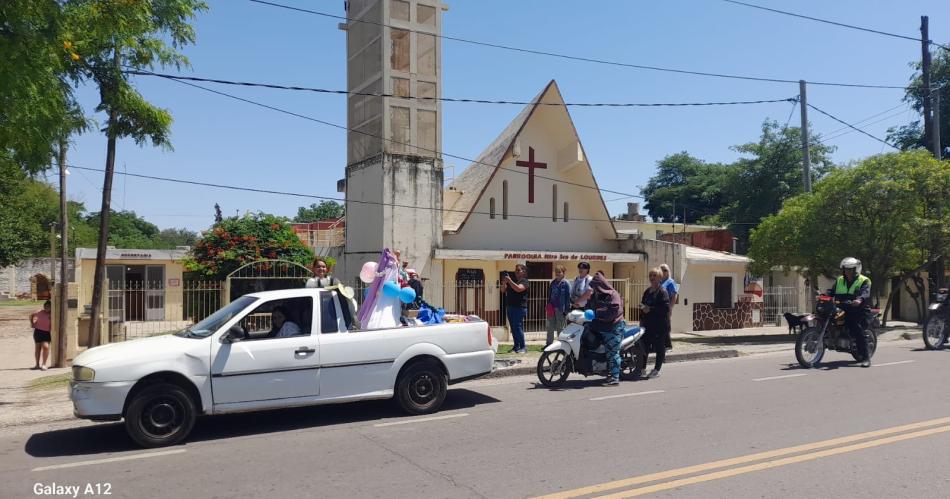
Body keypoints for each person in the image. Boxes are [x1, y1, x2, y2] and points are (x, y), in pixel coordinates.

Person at [827, 257, 872, 367]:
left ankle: (866, 358)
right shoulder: (840, 280)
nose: (848, 271)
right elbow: (832, 292)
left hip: (858, 309)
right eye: (846, 269)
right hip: (842, 307)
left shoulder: (864, 280)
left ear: (856, 269)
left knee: (856, 329)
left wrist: (859, 300)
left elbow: (865, 293)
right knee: (828, 318)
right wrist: (825, 295)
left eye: (851, 269)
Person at [588, 272, 624, 385]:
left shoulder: (613, 295)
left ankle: (615, 377)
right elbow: (588, 306)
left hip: (613, 328)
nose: (594, 289)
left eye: (595, 286)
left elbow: (612, 312)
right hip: (599, 327)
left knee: (612, 352)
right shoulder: (595, 295)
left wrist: (597, 313)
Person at [640, 267, 671, 379]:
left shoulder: (663, 292)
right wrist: (642, 317)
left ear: (660, 278)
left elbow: (665, 309)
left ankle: (657, 370)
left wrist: (651, 309)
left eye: (654, 276)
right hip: (647, 325)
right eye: (650, 276)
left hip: (660, 326)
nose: (652, 278)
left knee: (659, 348)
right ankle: (642, 368)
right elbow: (643, 304)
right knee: (644, 347)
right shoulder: (647, 291)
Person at [501, 264, 529, 354]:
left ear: (524, 272)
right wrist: (505, 282)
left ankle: (523, 347)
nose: (516, 272)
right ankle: (516, 347)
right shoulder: (512, 281)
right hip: (510, 307)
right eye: (515, 270)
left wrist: (510, 281)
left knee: (517, 327)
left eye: (518, 270)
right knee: (513, 328)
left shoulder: (525, 281)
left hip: (519, 308)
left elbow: (518, 289)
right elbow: (502, 290)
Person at [545, 265, 572, 346]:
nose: (557, 273)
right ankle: (549, 344)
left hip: (560, 309)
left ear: (563, 273)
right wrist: (548, 305)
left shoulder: (566, 283)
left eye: (559, 272)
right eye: (556, 272)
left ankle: (561, 345)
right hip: (551, 308)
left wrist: (566, 310)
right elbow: (549, 295)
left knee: (560, 328)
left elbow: (568, 297)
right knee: (550, 327)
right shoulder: (553, 283)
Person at [30, 300, 52, 370]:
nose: (47, 308)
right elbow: (31, 315)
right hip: (38, 331)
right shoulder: (39, 312)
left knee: (46, 347)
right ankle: (37, 365)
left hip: (46, 332)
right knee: (38, 348)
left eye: (49, 307)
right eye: (46, 306)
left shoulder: (52, 313)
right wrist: (32, 323)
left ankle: (44, 364)